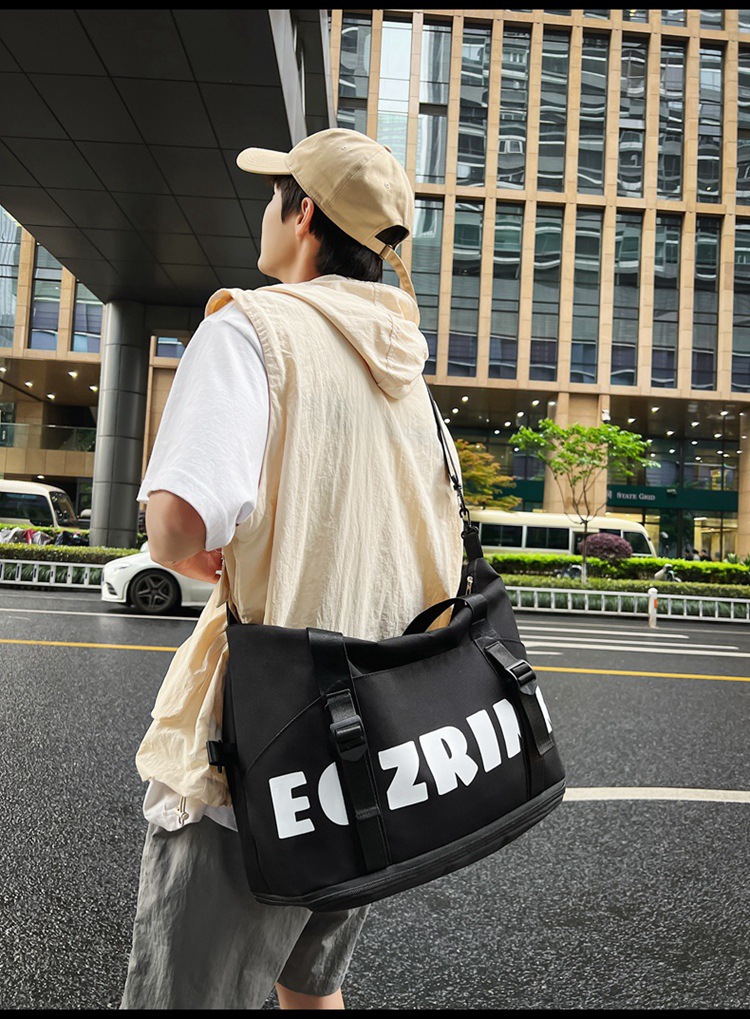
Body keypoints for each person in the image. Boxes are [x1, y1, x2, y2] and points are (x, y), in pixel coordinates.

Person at [119, 129, 464, 1010]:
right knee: (310, 989)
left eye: (275, 195)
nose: (266, 212)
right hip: (369, 746)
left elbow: (176, 525)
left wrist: (203, 546)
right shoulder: (406, 369)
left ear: (304, 214)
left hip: (259, 750)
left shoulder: (252, 327)